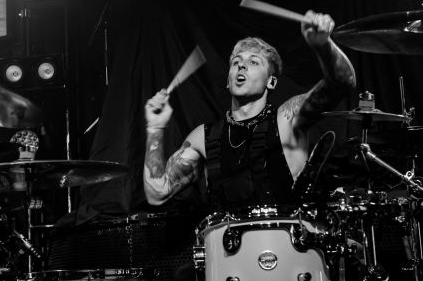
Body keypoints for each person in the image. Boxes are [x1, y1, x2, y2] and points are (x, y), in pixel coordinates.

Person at [143, 11, 355, 208]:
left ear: (271, 82)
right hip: (227, 237)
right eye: (236, 62)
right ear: (228, 81)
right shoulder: (202, 137)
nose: (242, 66)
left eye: (254, 62)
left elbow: (342, 81)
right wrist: (155, 127)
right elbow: (157, 194)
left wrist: (323, 45)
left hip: (287, 235)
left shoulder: (289, 118)